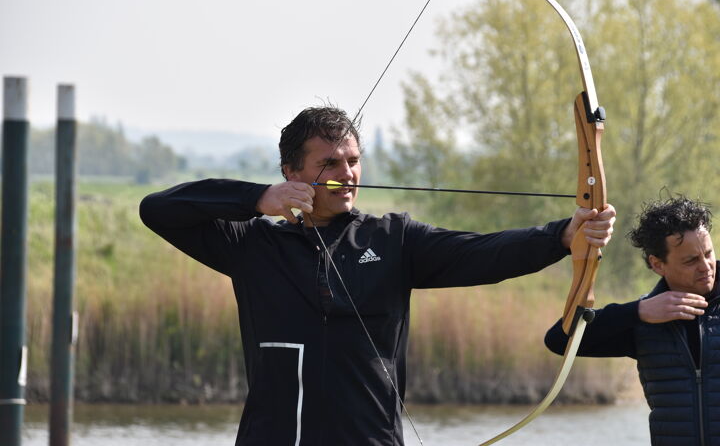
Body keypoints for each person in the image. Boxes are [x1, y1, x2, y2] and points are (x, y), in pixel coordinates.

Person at [140, 106, 616, 446]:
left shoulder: (393, 239)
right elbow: (158, 209)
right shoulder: (253, 245)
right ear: (291, 171)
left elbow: (480, 254)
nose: (346, 174)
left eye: (352, 160)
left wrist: (561, 235)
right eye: (329, 163)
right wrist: (258, 198)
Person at [545, 196, 718, 446]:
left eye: (709, 254)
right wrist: (635, 312)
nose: (706, 267)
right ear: (658, 264)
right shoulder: (643, 319)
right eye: (691, 260)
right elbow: (558, 340)